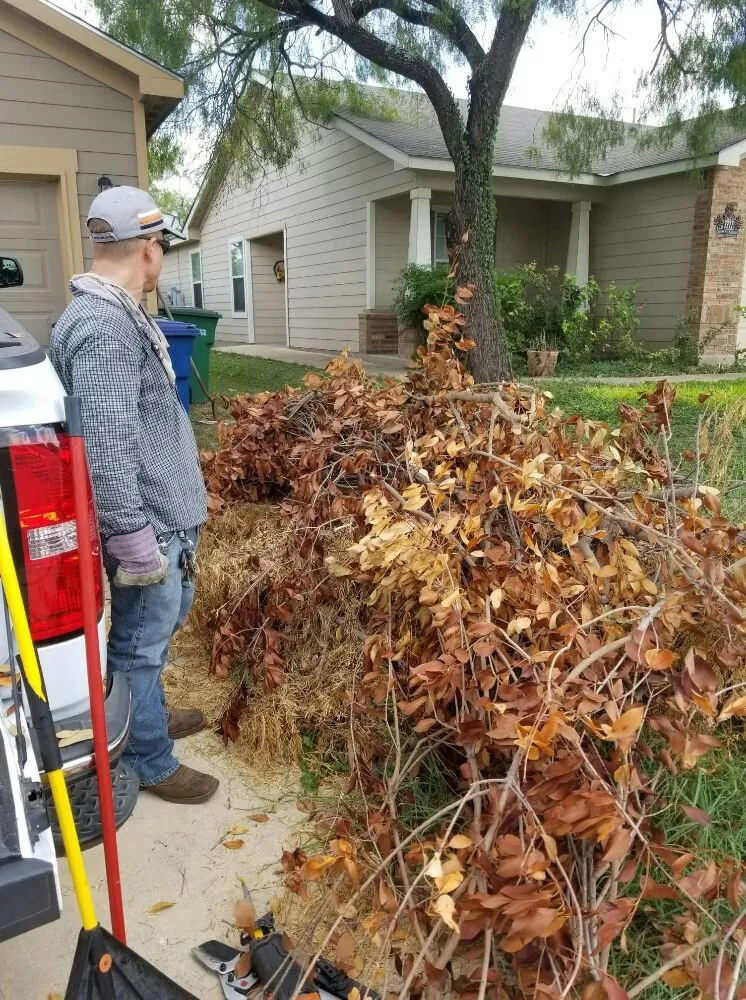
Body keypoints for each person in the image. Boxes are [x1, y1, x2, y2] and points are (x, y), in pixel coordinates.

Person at [50, 186, 219, 805]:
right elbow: (105, 449)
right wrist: (136, 545)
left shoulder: (115, 314)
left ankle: (148, 711)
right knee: (137, 645)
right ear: (149, 249)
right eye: (162, 249)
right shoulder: (104, 329)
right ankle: (148, 756)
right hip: (146, 526)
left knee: (154, 635)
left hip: (162, 518)